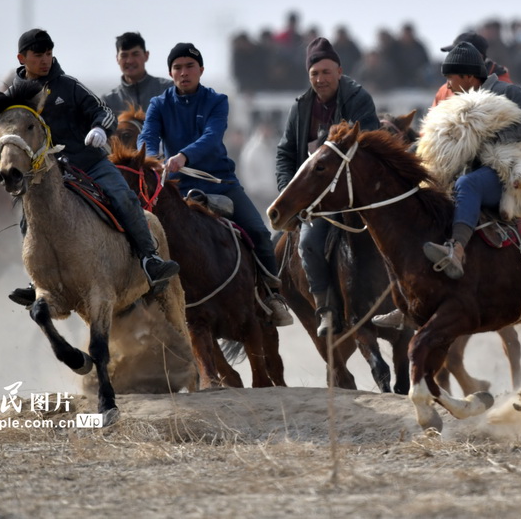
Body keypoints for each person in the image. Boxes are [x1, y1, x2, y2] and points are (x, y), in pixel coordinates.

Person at [7, 28, 179, 306]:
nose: (45, 60)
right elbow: (6, 133)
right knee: (27, 217)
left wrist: (100, 128)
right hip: (47, 173)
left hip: (89, 162)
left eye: (49, 54)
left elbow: (104, 111)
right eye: (38, 55)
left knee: (123, 196)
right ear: (22, 58)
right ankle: (37, 279)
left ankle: (150, 259)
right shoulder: (15, 97)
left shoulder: (68, 86)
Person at [137, 42, 293, 327]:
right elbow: (147, 136)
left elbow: (212, 136)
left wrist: (184, 155)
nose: (184, 73)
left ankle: (273, 295)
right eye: (178, 68)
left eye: (189, 67)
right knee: (142, 238)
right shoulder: (159, 105)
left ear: (201, 70)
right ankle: (144, 301)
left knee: (259, 231)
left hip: (221, 183)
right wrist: (150, 158)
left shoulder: (217, 100)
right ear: (170, 73)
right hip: (177, 189)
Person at [275, 37, 379, 336]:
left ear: (339, 71)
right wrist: (287, 191)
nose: (320, 79)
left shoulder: (358, 98)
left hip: (354, 194)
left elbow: (368, 144)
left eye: (325, 72)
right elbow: (284, 153)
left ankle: (404, 301)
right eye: (314, 74)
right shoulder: (300, 107)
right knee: (302, 244)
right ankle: (325, 309)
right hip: (313, 197)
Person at [422, 41, 521, 279]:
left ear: (468, 77)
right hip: (468, 171)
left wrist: (493, 137)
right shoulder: (455, 103)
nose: (447, 85)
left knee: (468, 185)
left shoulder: (508, 92)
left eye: (451, 78)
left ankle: (456, 250)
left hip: (507, 173)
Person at [432, 31, 512, 108]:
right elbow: (431, 120)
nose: (451, 57)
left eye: (458, 53)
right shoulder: (445, 91)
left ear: (477, 55)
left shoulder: (504, 91)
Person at [99, 31, 173, 114]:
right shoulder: (109, 101)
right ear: (117, 59)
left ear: (146, 55)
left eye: (135, 54)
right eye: (124, 55)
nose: (130, 61)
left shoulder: (168, 90)